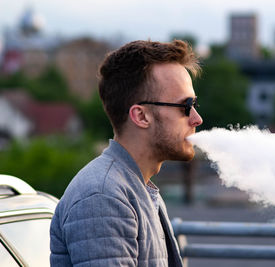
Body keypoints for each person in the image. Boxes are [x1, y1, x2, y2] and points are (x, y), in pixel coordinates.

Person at [50, 40, 203, 266]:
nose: (197, 119)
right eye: (186, 106)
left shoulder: (135, 187)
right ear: (141, 116)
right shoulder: (103, 196)